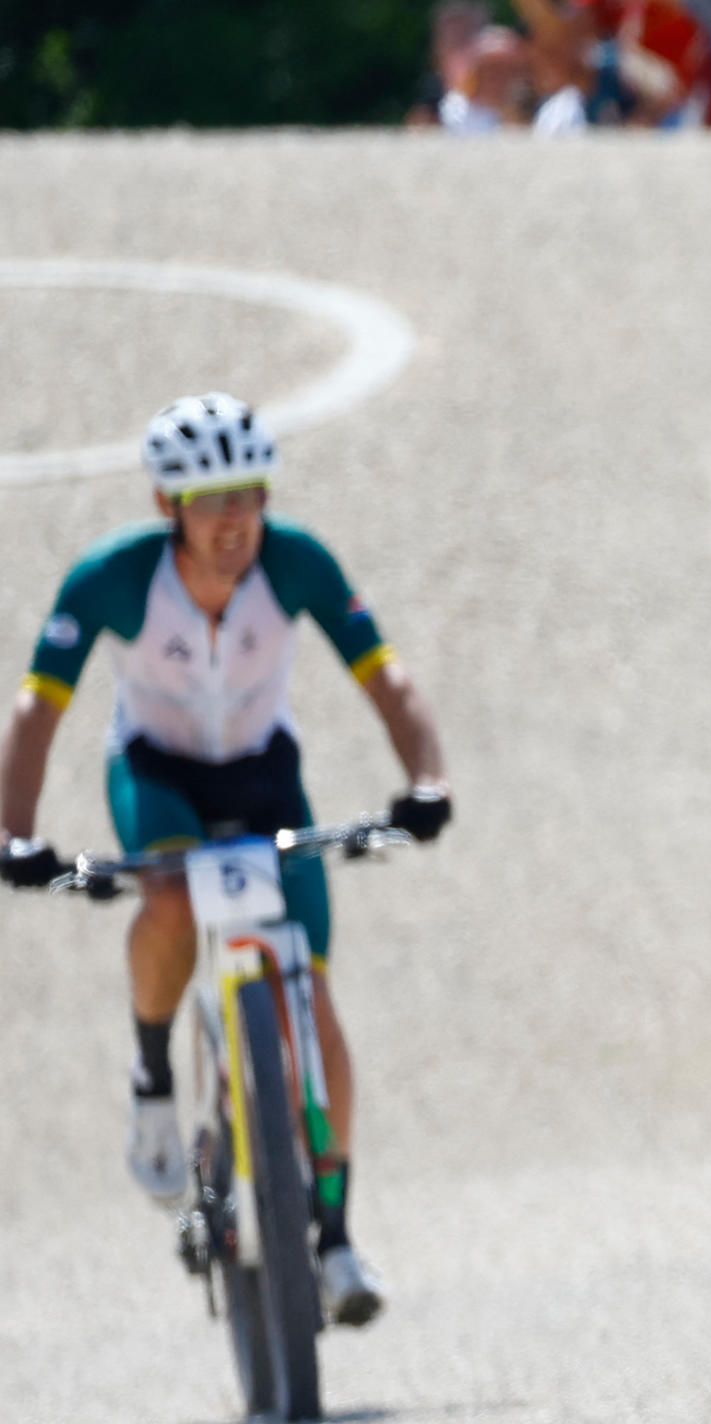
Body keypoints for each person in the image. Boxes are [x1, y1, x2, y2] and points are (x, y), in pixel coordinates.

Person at [0, 396, 453, 1327]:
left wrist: (427, 780)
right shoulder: (113, 581)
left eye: (248, 494)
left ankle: (333, 1234)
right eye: (211, 501)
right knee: (165, 902)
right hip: (159, 776)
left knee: (314, 996)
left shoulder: (297, 564)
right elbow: (38, 709)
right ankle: (155, 1077)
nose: (234, 520)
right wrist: (15, 833)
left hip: (263, 780)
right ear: (169, 506)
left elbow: (388, 677)